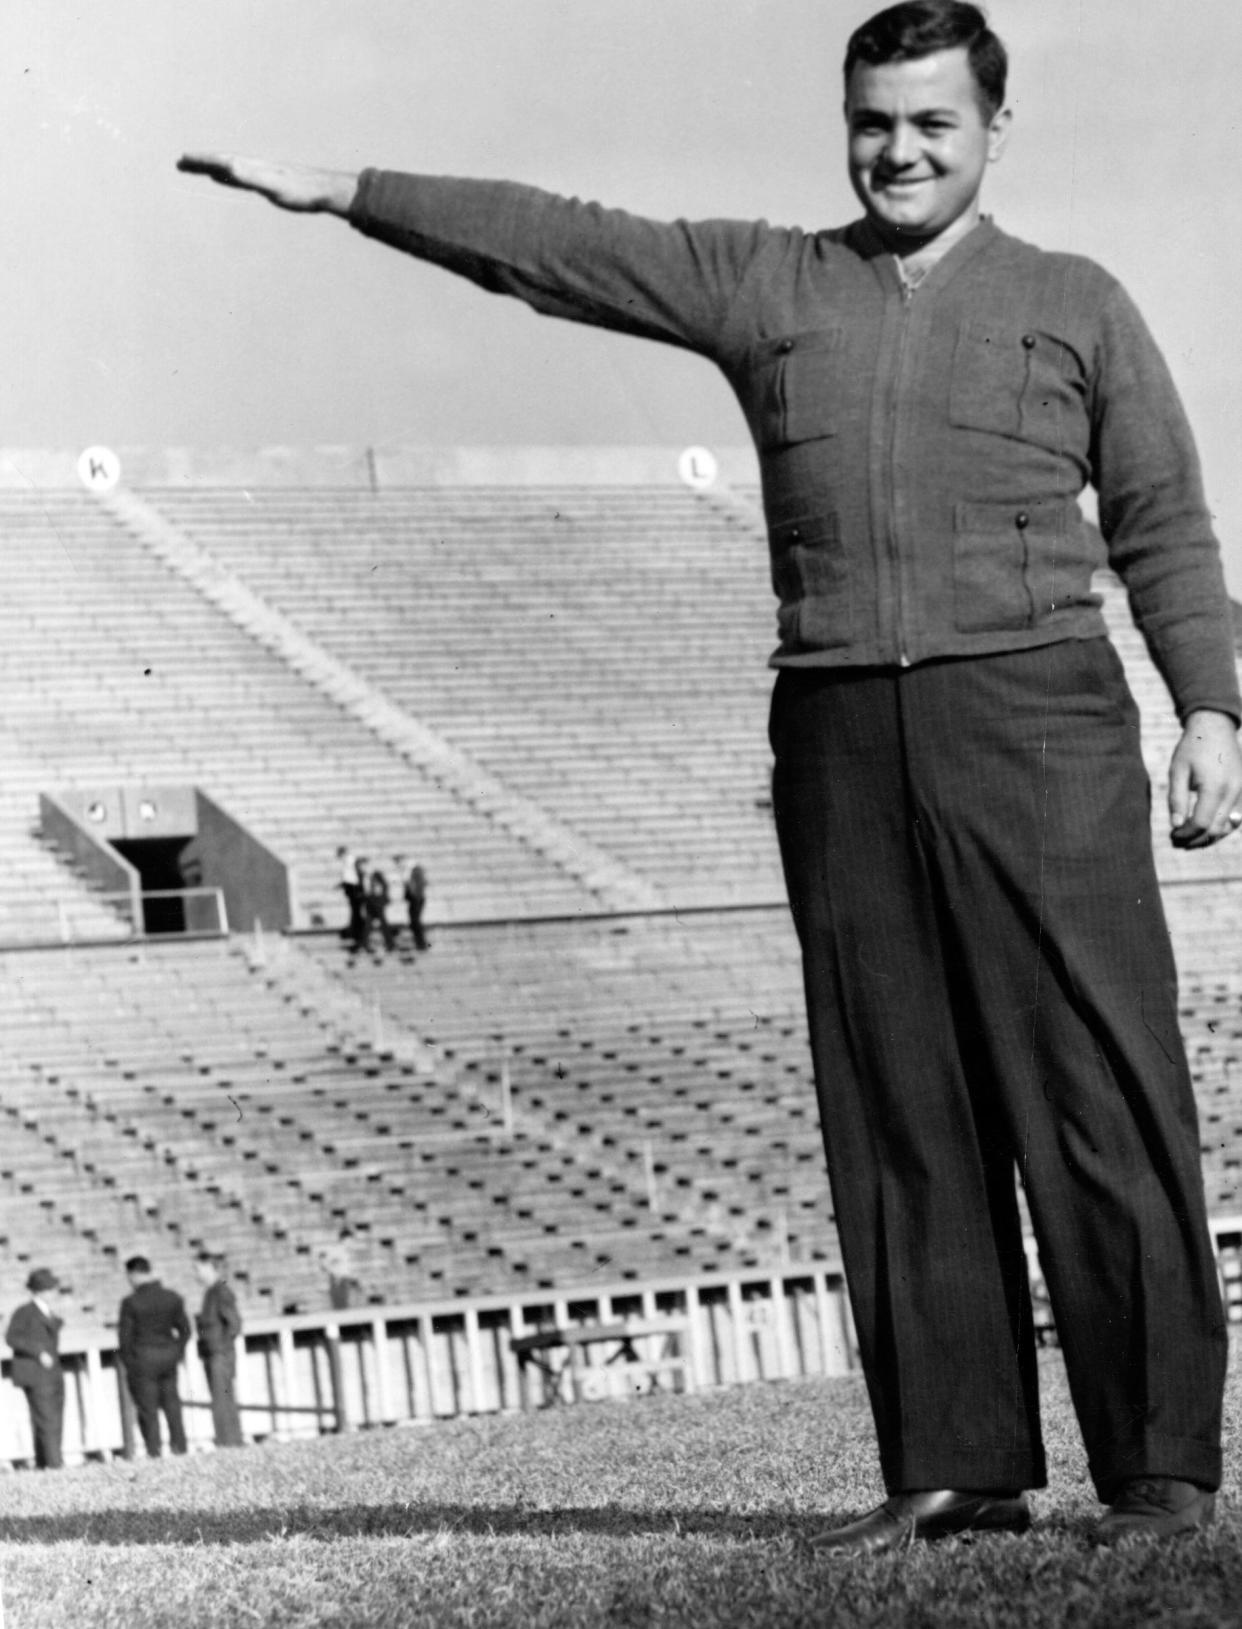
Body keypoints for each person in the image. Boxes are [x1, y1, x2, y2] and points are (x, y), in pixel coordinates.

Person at [178, 0, 1242, 1549]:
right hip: (834, 736)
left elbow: (1161, 521)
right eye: (873, 120)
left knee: (1097, 1087)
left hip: (1037, 725)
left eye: (932, 122)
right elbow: (563, 245)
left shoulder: (1076, 301)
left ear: (993, 131)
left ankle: (1157, 1474)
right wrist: (350, 188)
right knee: (897, 1105)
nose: (898, 149)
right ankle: (956, 1466)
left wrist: (1208, 709)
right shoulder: (768, 281)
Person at [118, 1256, 191, 1458]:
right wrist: (176, 1352)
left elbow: (125, 1340)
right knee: (172, 1404)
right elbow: (185, 1330)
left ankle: (154, 1450)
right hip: (168, 1356)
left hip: (142, 1359)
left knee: (148, 1409)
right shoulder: (172, 1297)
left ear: (133, 1274)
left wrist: (130, 1363)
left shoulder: (131, 1303)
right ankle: (180, 1447)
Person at [5, 1268, 66, 1469]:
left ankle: (45, 1463)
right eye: (50, 1288)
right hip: (37, 1374)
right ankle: (54, 1464)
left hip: (51, 1374)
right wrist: (38, 1352)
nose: (53, 1292)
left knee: (49, 1418)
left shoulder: (46, 1311)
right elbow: (11, 1337)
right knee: (48, 1419)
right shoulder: (25, 1312)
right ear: (40, 1290)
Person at [193, 1253, 245, 1448]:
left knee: (222, 1400)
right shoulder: (211, 1292)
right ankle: (228, 1440)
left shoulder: (220, 1291)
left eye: (197, 1269)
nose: (196, 1274)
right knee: (221, 1398)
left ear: (209, 1268)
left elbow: (234, 1324)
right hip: (214, 1353)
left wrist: (221, 1349)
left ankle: (229, 1441)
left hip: (219, 1354)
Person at [403, 861, 430, 952]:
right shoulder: (416, 872)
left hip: (416, 899)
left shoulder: (415, 872)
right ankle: (420, 943)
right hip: (416, 899)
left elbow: (416, 887)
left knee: (415, 921)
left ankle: (421, 943)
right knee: (415, 921)